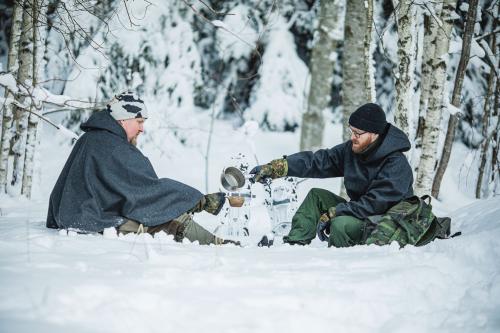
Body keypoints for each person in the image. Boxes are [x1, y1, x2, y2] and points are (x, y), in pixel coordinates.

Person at [47, 91, 234, 245]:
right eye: (139, 121)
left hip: (79, 216)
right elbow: (148, 192)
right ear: (123, 120)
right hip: (94, 221)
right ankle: (219, 245)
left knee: (166, 214)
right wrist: (198, 200)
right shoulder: (114, 147)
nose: (142, 129)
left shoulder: (90, 139)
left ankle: (217, 242)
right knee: (172, 221)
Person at [251, 103, 414, 248]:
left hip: (385, 224)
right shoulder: (352, 150)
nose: (352, 138)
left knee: (340, 224)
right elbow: (318, 162)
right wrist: (278, 167)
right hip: (360, 214)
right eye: (351, 131)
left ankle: (336, 266)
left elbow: (375, 205)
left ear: (374, 134)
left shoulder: (396, 163)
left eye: (358, 134)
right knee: (316, 196)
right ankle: (295, 245)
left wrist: (335, 212)